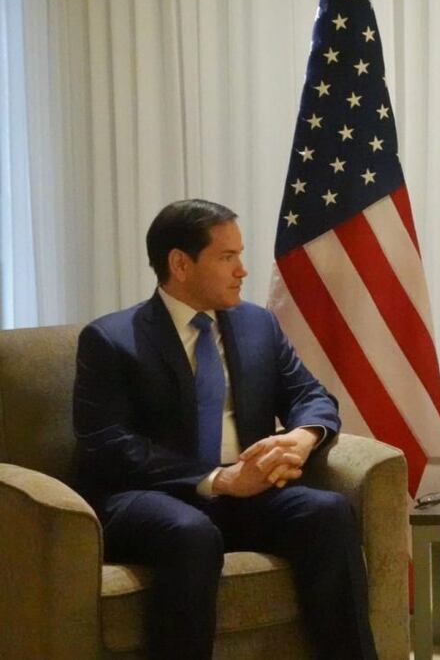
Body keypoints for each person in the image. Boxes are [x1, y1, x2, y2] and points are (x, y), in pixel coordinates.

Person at [73, 199, 378, 659]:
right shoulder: (111, 340)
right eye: (227, 257)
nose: (244, 270)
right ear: (180, 263)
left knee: (327, 512)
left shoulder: (257, 324)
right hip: (150, 497)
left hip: (246, 493)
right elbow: (108, 444)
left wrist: (304, 436)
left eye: (240, 254)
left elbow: (308, 396)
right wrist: (221, 479)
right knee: (190, 532)